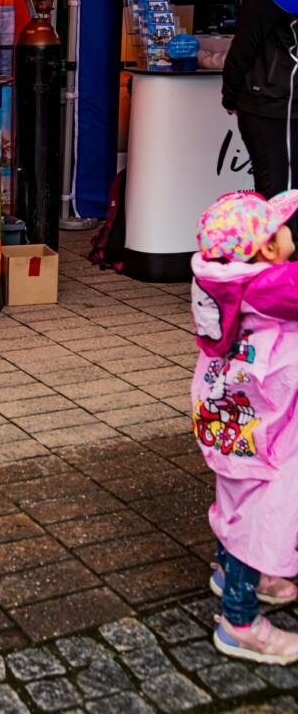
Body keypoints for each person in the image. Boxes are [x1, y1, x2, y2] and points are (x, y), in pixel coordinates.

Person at [191, 189, 298, 664]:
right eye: (282, 228)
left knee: (236, 493)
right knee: (256, 517)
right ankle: (240, 621)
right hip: (267, 428)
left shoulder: (222, 278)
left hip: (232, 414)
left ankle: (230, 570)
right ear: (268, 250)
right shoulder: (270, 287)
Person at [222, 0, 298, 222]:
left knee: (282, 200)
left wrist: (230, 96)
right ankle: (282, 258)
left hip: (276, 101)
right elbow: (246, 43)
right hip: (272, 104)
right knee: (280, 202)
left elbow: (245, 42)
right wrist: (231, 95)